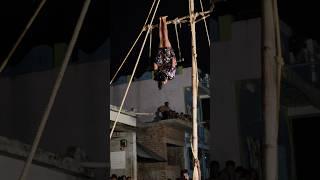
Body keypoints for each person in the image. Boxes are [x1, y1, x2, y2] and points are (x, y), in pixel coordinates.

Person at [154, 16, 177, 89]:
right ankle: (161, 20)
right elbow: (155, 65)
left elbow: (173, 62)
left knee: (165, 37)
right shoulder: (157, 76)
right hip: (160, 57)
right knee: (161, 38)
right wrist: (158, 62)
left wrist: (173, 56)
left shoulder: (170, 75)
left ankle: (163, 19)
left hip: (167, 56)